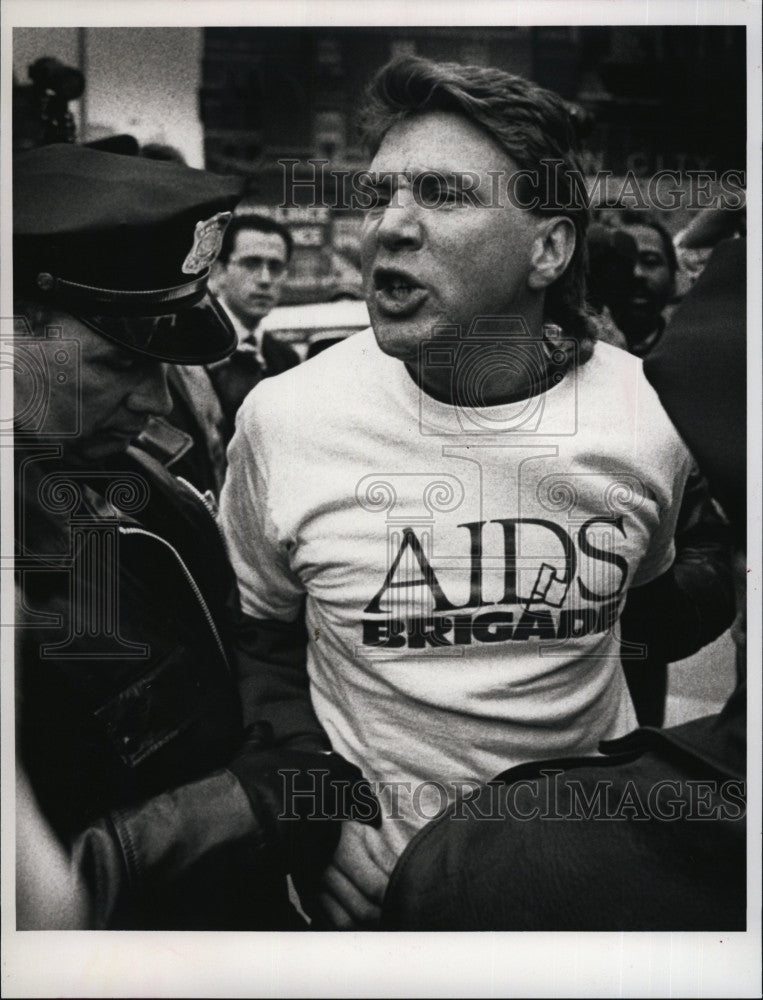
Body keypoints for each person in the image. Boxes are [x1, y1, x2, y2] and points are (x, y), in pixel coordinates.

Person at [218, 55, 699, 929]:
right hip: (377, 902)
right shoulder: (285, 419)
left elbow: (654, 613)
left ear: (547, 248)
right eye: (378, 198)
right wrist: (313, 808)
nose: (389, 229)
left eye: (441, 194)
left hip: (581, 890)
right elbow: (257, 639)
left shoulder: (650, 416)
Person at [13, 143, 376, 929]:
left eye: (165, 367)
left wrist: (296, 803)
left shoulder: (153, 496)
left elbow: (242, 659)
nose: (155, 401)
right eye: (117, 362)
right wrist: (253, 807)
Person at [382, 234, 747, 933]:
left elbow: (678, 582)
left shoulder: (654, 409)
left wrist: (602, 590)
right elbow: (265, 634)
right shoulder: (303, 411)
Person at [206, 213, 300, 432]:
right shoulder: (189, 347)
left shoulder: (285, 359)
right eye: (251, 263)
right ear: (220, 270)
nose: (265, 279)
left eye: (275, 266)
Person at [607, 209, 678, 356]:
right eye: (622, 262)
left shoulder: (691, 352)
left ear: (673, 280)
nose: (636, 273)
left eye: (650, 261)